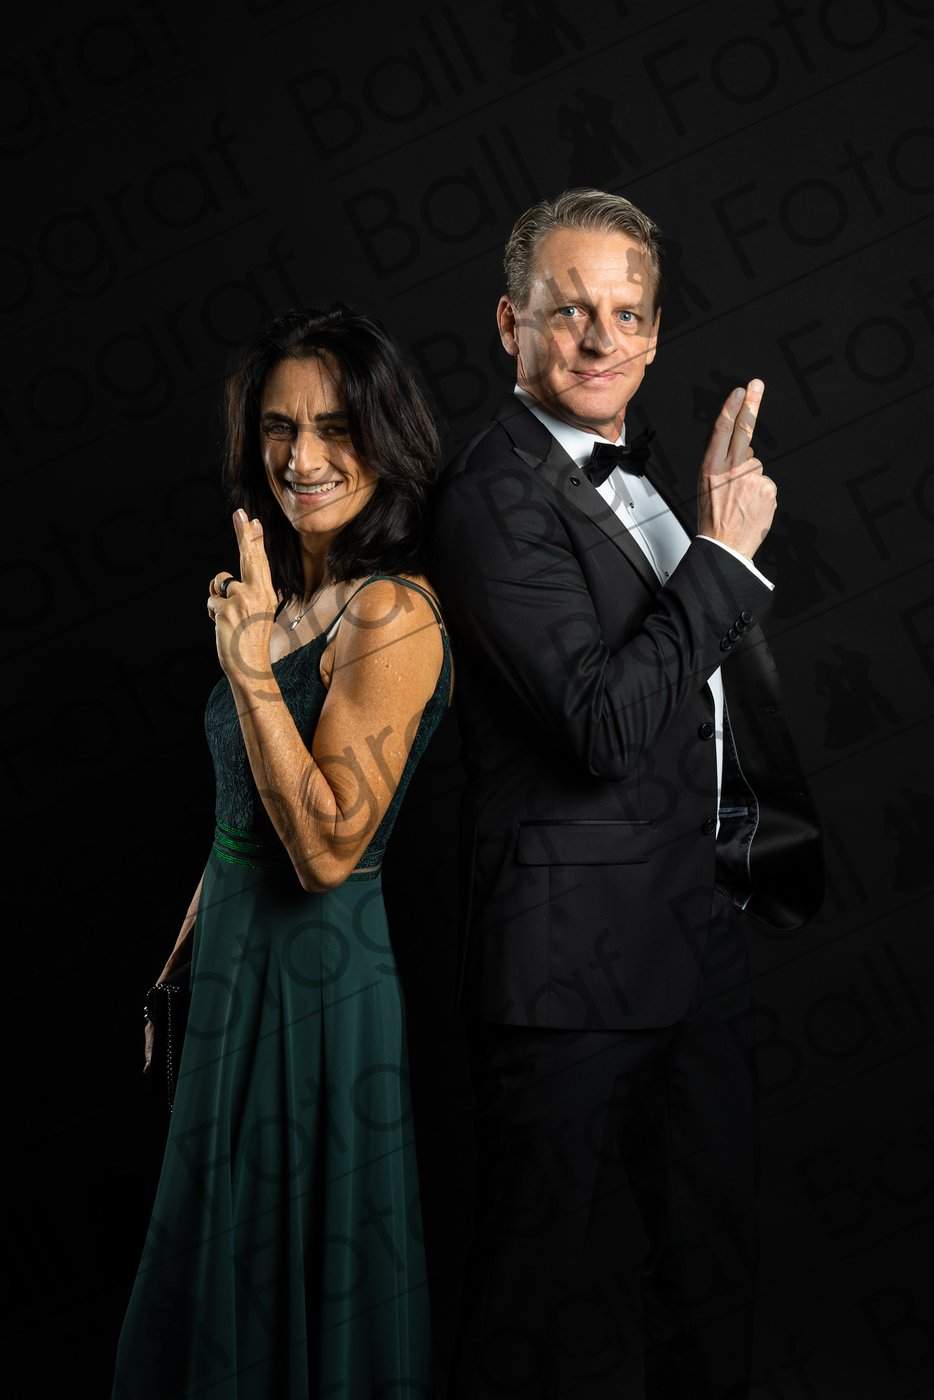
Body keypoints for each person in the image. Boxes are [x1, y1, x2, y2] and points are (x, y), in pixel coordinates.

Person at [427, 189, 824, 1399]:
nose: (600, 339)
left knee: (707, 1268)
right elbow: (600, 725)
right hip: (566, 967)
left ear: (654, 332)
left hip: (695, 934)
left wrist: (704, 542)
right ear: (510, 323)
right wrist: (724, 556)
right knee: (528, 1288)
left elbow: (699, 697)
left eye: (627, 313)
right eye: (568, 312)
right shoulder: (490, 496)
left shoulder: (648, 482)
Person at [112, 303, 454, 1400]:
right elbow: (239, 816)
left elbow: (323, 851)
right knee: (217, 1258)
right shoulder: (288, 597)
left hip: (319, 980)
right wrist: (179, 963)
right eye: (279, 427)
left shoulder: (392, 613)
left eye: (335, 427)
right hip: (231, 973)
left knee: (300, 1265)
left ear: (385, 437)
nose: (302, 458)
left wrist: (252, 671)